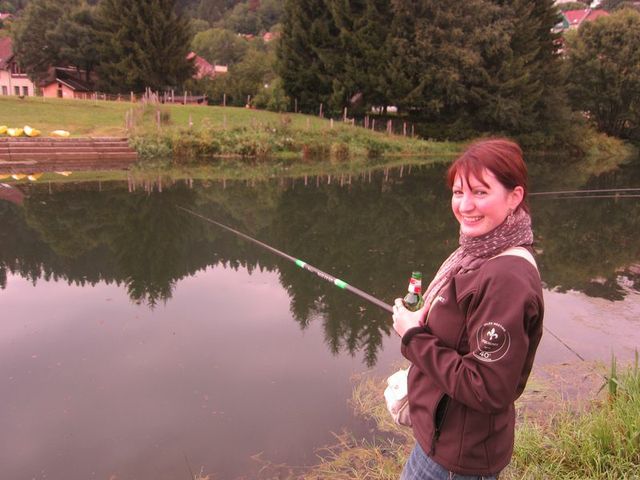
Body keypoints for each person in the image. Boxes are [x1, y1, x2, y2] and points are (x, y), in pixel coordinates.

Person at [392, 138, 544, 480]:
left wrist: (413, 336)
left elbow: (485, 387)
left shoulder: (506, 279)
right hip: (442, 439)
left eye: (480, 192)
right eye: (458, 192)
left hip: (455, 460)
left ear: (514, 197)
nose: (465, 205)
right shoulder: (477, 253)